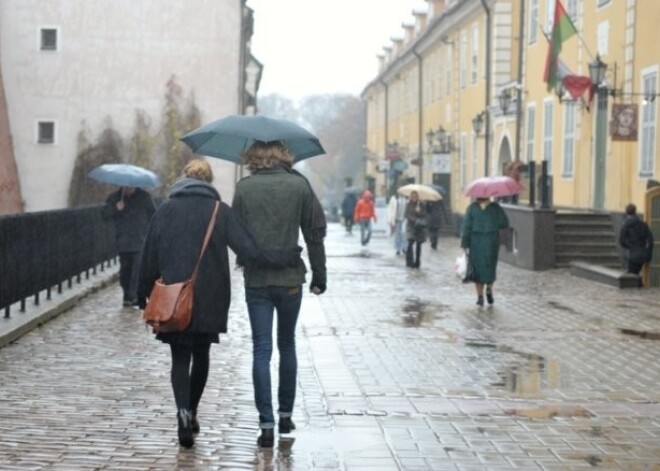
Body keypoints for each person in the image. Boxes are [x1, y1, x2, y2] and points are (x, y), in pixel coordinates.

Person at [137, 159, 300, 449]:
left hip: (175, 296)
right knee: (201, 354)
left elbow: (149, 252)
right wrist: (284, 257)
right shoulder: (219, 211)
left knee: (179, 358)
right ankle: (194, 411)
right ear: (210, 182)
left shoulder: (166, 210)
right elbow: (249, 249)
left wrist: (142, 293)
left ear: (183, 178)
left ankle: (183, 413)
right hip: (210, 297)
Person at [232, 141, 327, 448]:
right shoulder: (299, 185)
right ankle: (286, 415)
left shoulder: (244, 188)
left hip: (258, 280)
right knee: (287, 345)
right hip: (290, 279)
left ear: (254, 157)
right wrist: (319, 276)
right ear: (283, 155)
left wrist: (249, 256)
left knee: (261, 349)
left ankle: (267, 425)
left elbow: (235, 233)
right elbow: (314, 233)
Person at [102, 185, 156, 307]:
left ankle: (134, 296)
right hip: (123, 239)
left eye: (131, 187)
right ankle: (127, 295)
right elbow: (104, 214)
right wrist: (116, 208)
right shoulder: (115, 197)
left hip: (140, 238)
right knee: (125, 270)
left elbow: (153, 214)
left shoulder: (144, 197)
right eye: (127, 187)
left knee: (137, 269)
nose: (129, 189)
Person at [460, 197, 510, 306]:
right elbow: (504, 223)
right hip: (491, 241)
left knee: (477, 269)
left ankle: (480, 297)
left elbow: (467, 227)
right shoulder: (495, 207)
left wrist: (464, 243)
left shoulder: (472, 208)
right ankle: (489, 289)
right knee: (490, 267)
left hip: (476, 242)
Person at [618, 203, 654, 282]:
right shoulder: (643, 224)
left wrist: (630, 246)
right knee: (638, 274)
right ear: (635, 211)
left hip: (632, 254)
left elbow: (621, 240)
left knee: (632, 277)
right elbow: (650, 239)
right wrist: (648, 253)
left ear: (626, 212)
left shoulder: (626, 225)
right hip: (643, 253)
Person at [404, 191, 428, 268]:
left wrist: (419, 212)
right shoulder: (408, 205)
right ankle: (409, 261)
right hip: (411, 226)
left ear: (417, 197)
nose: (414, 198)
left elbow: (425, 214)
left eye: (415, 196)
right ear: (410, 197)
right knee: (410, 242)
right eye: (412, 196)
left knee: (418, 244)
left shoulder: (421, 205)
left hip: (419, 227)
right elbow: (406, 214)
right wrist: (414, 219)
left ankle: (417, 262)